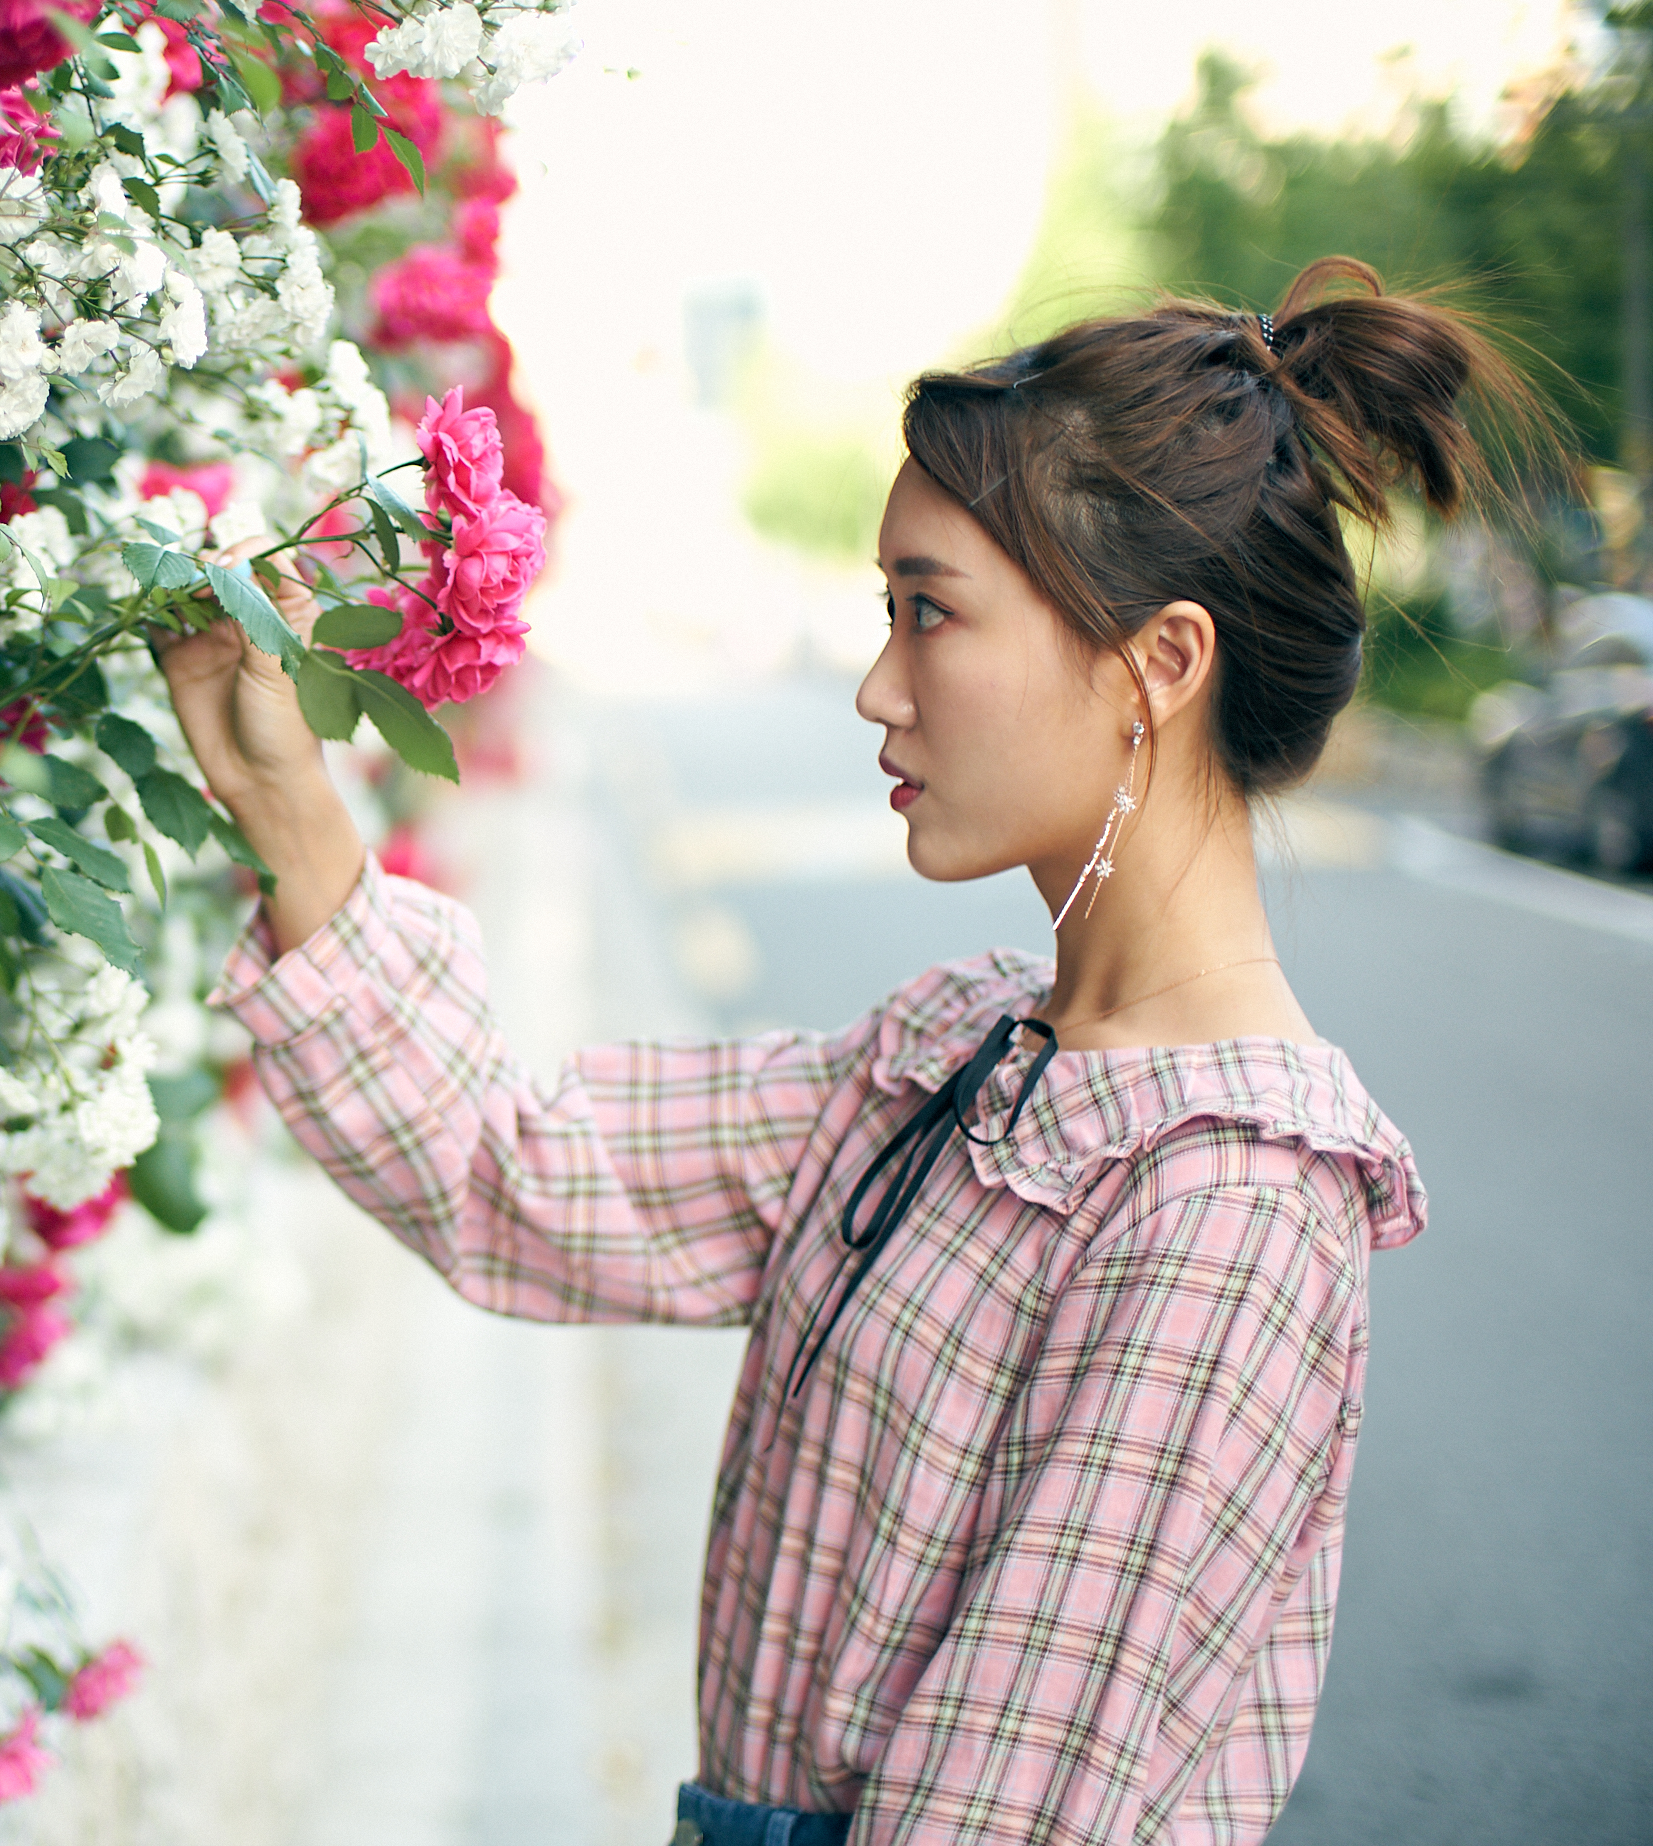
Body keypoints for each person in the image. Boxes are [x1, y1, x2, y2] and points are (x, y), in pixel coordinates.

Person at [157, 259, 1544, 1846]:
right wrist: (285, 801)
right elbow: (515, 1176)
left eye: (929, 612)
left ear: (1159, 664)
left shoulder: (1223, 1210)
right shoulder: (951, 1057)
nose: (879, 687)